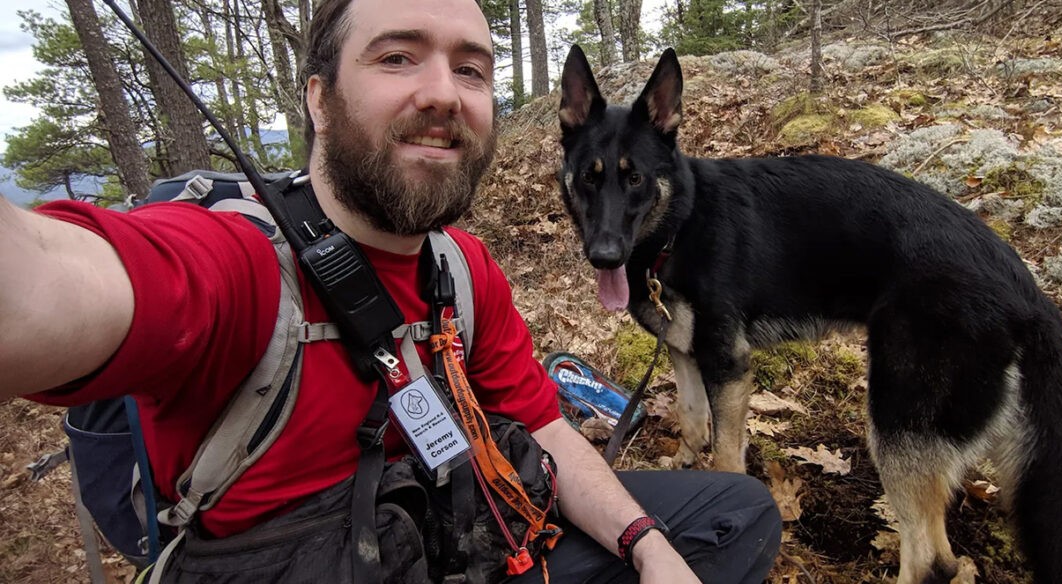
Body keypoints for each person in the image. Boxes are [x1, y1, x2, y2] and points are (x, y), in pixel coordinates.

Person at [0, 0, 782, 582]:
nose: (444, 92)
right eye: (397, 57)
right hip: (297, 561)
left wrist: (647, 545)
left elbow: (542, 426)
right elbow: (39, 286)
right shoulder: (235, 263)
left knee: (733, 515)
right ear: (317, 98)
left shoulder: (464, 273)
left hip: (456, 536)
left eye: (470, 68)